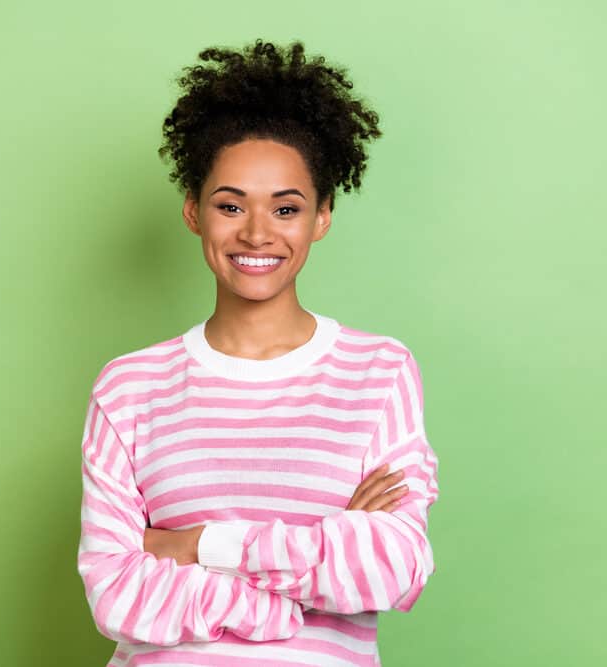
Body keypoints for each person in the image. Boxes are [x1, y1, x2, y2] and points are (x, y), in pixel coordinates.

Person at [77, 38, 440, 666]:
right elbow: (115, 591)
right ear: (195, 211)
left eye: (287, 208)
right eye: (230, 204)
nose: (256, 232)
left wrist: (198, 544)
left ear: (322, 216)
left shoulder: (378, 373)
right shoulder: (129, 387)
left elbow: (392, 568)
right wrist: (302, 578)